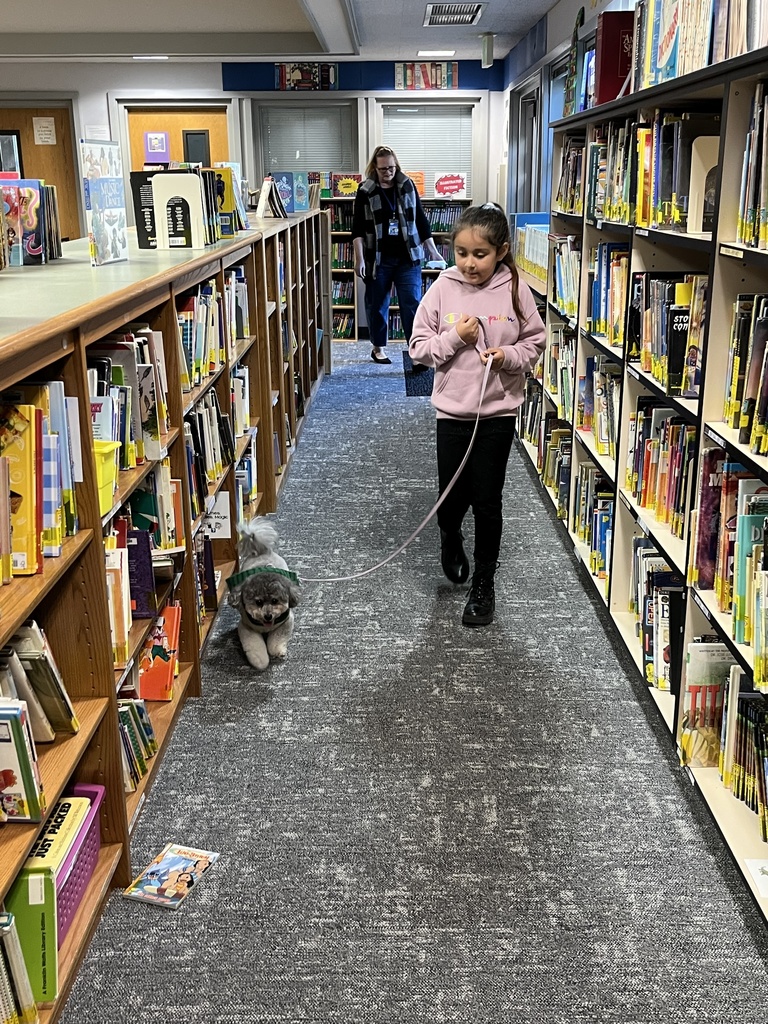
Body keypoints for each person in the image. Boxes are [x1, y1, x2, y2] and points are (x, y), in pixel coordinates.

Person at [409, 203, 546, 627]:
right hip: (452, 414)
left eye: (480, 254)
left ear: (501, 251)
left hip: (497, 414)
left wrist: (507, 356)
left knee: (487, 501)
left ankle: (484, 584)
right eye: (462, 252)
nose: (469, 263)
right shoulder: (442, 288)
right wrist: (454, 337)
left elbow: (535, 342)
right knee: (451, 501)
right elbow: (418, 348)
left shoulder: (514, 289)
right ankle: (450, 537)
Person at [352, 145, 444, 364]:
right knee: (377, 303)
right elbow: (357, 229)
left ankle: (417, 353)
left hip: (408, 258)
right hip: (378, 258)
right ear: (375, 167)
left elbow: (421, 221)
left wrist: (433, 251)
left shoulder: (407, 185)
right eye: (383, 169)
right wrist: (359, 259)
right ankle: (378, 347)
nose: (388, 172)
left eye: (391, 167)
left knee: (412, 303)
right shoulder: (365, 190)